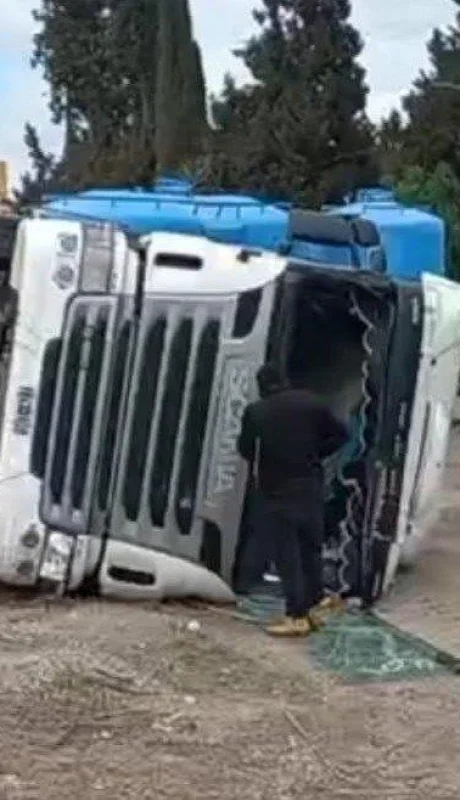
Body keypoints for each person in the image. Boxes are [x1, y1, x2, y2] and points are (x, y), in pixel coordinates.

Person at [237, 362, 349, 637]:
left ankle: (296, 616)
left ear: (262, 385)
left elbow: (246, 450)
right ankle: (314, 606)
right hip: (310, 488)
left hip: (276, 491)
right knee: (310, 549)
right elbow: (342, 435)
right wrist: (316, 454)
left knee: (287, 556)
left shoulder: (256, 412)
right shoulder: (311, 403)